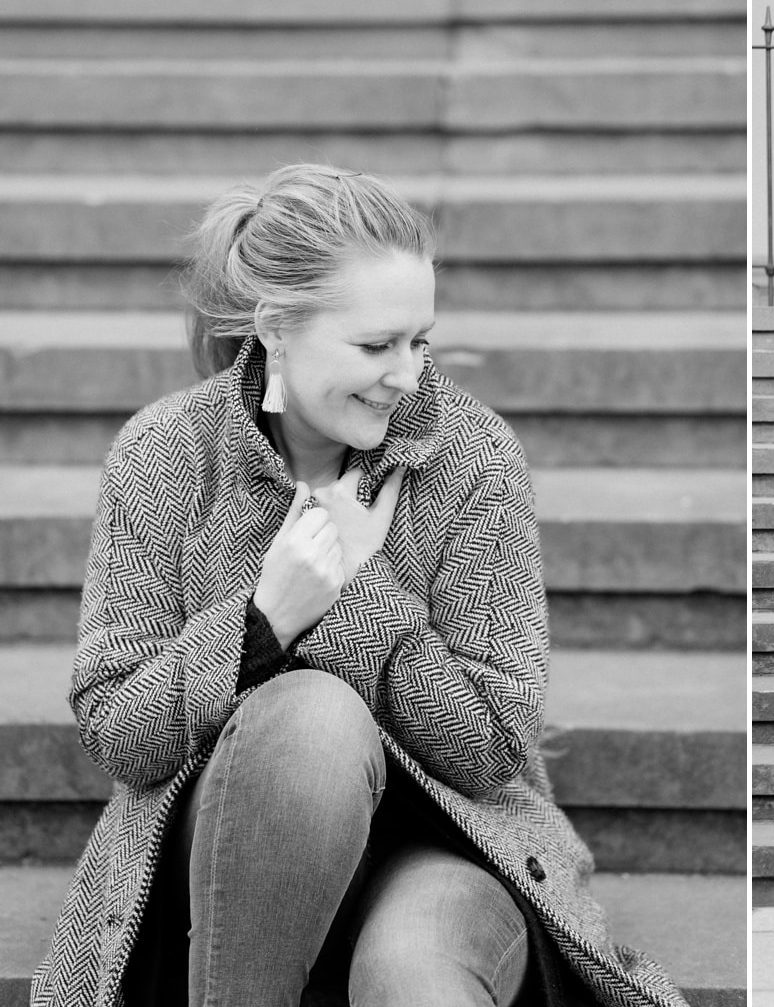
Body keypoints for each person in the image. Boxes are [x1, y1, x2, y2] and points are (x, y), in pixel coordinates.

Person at [31, 165, 688, 1007]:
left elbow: (493, 754)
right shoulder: (166, 454)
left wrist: (361, 593)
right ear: (276, 328)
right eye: (376, 345)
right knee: (312, 715)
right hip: (228, 859)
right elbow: (121, 733)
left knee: (414, 974)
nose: (408, 375)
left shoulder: (471, 457)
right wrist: (263, 621)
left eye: (421, 340)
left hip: (446, 844)